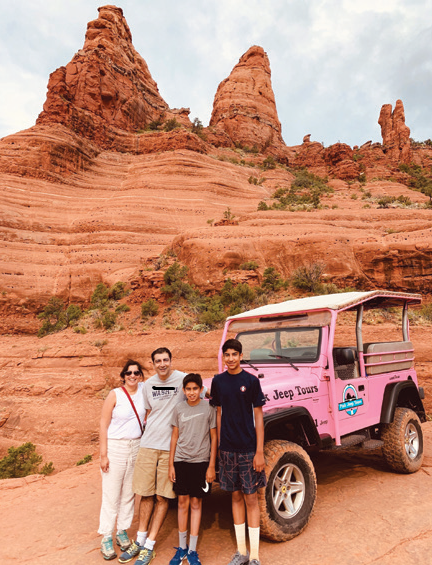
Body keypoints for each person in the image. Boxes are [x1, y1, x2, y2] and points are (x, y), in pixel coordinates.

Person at [119, 347, 207, 565]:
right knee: (145, 494)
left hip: (171, 448)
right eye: (157, 361)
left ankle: (150, 544)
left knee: (162, 497)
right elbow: (149, 411)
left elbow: (200, 398)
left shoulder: (183, 379)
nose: (162, 364)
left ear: (171, 360)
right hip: (148, 444)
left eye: (165, 360)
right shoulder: (148, 384)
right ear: (153, 364)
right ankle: (139, 540)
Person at [210, 338, 266, 565]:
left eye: (235, 354)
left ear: (241, 356)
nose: (231, 358)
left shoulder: (251, 381)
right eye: (227, 355)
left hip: (248, 449)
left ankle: (254, 556)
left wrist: (259, 451)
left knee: (251, 498)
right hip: (228, 450)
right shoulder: (218, 382)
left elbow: (259, 416)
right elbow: (219, 413)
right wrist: (221, 447)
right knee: (234, 496)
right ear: (223, 357)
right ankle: (241, 552)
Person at [98, 359, 145, 560]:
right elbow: (103, 423)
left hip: (136, 446)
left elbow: (169, 378)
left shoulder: (144, 390)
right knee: (111, 493)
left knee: (128, 493)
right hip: (116, 447)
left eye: (136, 373)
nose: (132, 376)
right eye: (128, 373)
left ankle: (122, 531)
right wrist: (103, 454)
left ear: (141, 376)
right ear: (123, 376)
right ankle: (106, 536)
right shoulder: (115, 395)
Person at [168, 373, 217, 565]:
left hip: (201, 462)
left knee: (196, 503)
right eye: (188, 389)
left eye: (195, 389)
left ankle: (193, 550)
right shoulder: (179, 408)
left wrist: (211, 465)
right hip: (181, 460)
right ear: (183, 390)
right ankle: (181, 548)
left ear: (201, 390)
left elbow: (214, 438)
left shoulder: (208, 408)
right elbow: (174, 437)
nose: (191, 393)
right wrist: (171, 464)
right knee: (182, 503)